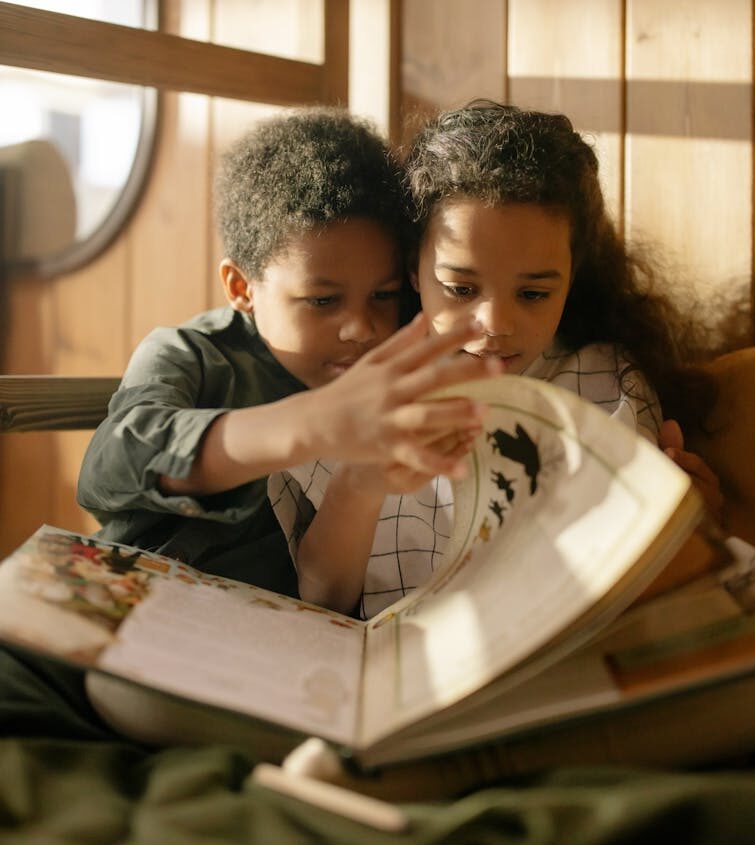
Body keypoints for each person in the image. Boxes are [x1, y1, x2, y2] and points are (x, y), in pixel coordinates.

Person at [270, 100, 724, 616]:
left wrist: (693, 525)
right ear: (414, 270)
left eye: (533, 294)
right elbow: (323, 596)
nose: (496, 324)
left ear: (571, 276)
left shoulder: (608, 383)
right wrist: (360, 483)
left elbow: (644, 568)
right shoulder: (360, 386)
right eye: (461, 288)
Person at [77, 108, 499, 594]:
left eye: (383, 295)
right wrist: (309, 424)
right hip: (129, 601)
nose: (361, 328)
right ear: (241, 287)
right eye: (322, 301)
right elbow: (110, 463)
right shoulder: (191, 353)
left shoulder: (401, 368)